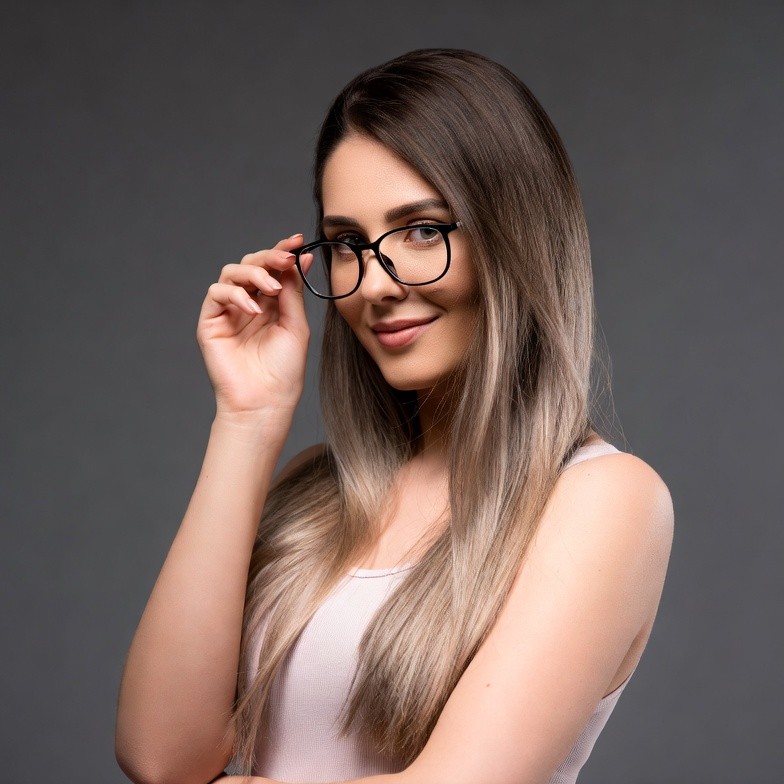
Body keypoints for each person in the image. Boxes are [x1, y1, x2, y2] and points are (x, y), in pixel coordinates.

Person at [115, 49, 674, 784]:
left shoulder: (605, 499)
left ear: (515, 236)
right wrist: (247, 421)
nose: (375, 284)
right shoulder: (316, 490)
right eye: (348, 244)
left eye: (421, 230)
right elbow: (161, 758)